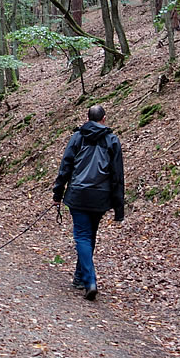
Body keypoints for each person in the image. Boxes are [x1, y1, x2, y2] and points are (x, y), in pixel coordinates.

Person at [52, 105, 124, 301]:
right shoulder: (112, 140)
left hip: (78, 194)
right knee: (89, 236)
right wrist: (119, 207)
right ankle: (81, 277)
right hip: (100, 196)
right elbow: (117, 175)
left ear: (88, 118)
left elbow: (65, 166)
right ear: (104, 118)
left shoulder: (78, 137)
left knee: (83, 236)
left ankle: (89, 280)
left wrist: (58, 192)